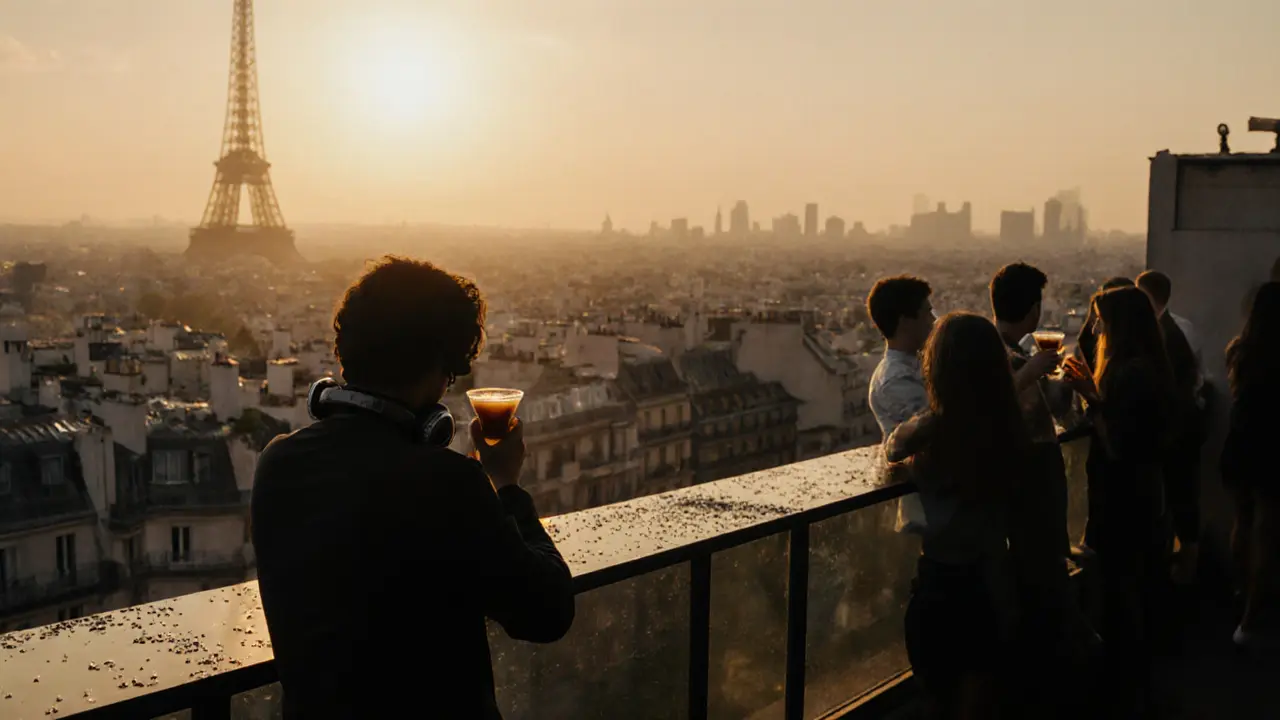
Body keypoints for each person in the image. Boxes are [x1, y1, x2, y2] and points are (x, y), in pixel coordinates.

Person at [251, 257, 576, 719]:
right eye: (450, 375)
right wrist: (504, 482)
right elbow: (547, 611)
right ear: (438, 369)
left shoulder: (276, 463)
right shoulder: (446, 482)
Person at [885, 312, 1031, 719]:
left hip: (941, 581)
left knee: (938, 697)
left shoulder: (938, 434)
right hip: (993, 580)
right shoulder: (1010, 426)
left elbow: (895, 447)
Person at [989, 263, 1096, 717]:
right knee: (1038, 572)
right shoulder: (995, 354)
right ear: (1034, 309)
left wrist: (1066, 382)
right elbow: (991, 405)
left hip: (1034, 475)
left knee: (1044, 565)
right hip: (1024, 478)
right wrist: (1033, 370)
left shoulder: (1012, 351)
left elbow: (1051, 409)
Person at [1063, 286, 1174, 717]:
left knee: (1119, 594)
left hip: (1122, 501)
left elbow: (1119, 448)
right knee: (1135, 592)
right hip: (1145, 498)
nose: (1095, 329)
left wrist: (1091, 398)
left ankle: (1121, 692)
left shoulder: (1130, 374)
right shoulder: (1150, 366)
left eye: (1100, 321)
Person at [1220, 281, 1280, 649]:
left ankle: (1240, 592)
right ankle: (1254, 614)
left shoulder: (1239, 351)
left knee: (1242, 521)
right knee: (1269, 531)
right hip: (1274, 445)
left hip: (1242, 442)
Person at [1136, 270, 1203, 584]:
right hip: (1188, 424)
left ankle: (1166, 571)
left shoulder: (1157, 334)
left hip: (1168, 428)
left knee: (1166, 497)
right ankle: (1186, 569)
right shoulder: (1184, 328)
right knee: (1184, 495)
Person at [866, 275, 935, 532]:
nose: (933, 320)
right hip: (921, 508)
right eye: (927, 312)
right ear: (906, 321)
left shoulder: (911, 366)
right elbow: (934, 425)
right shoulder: (894, 379)